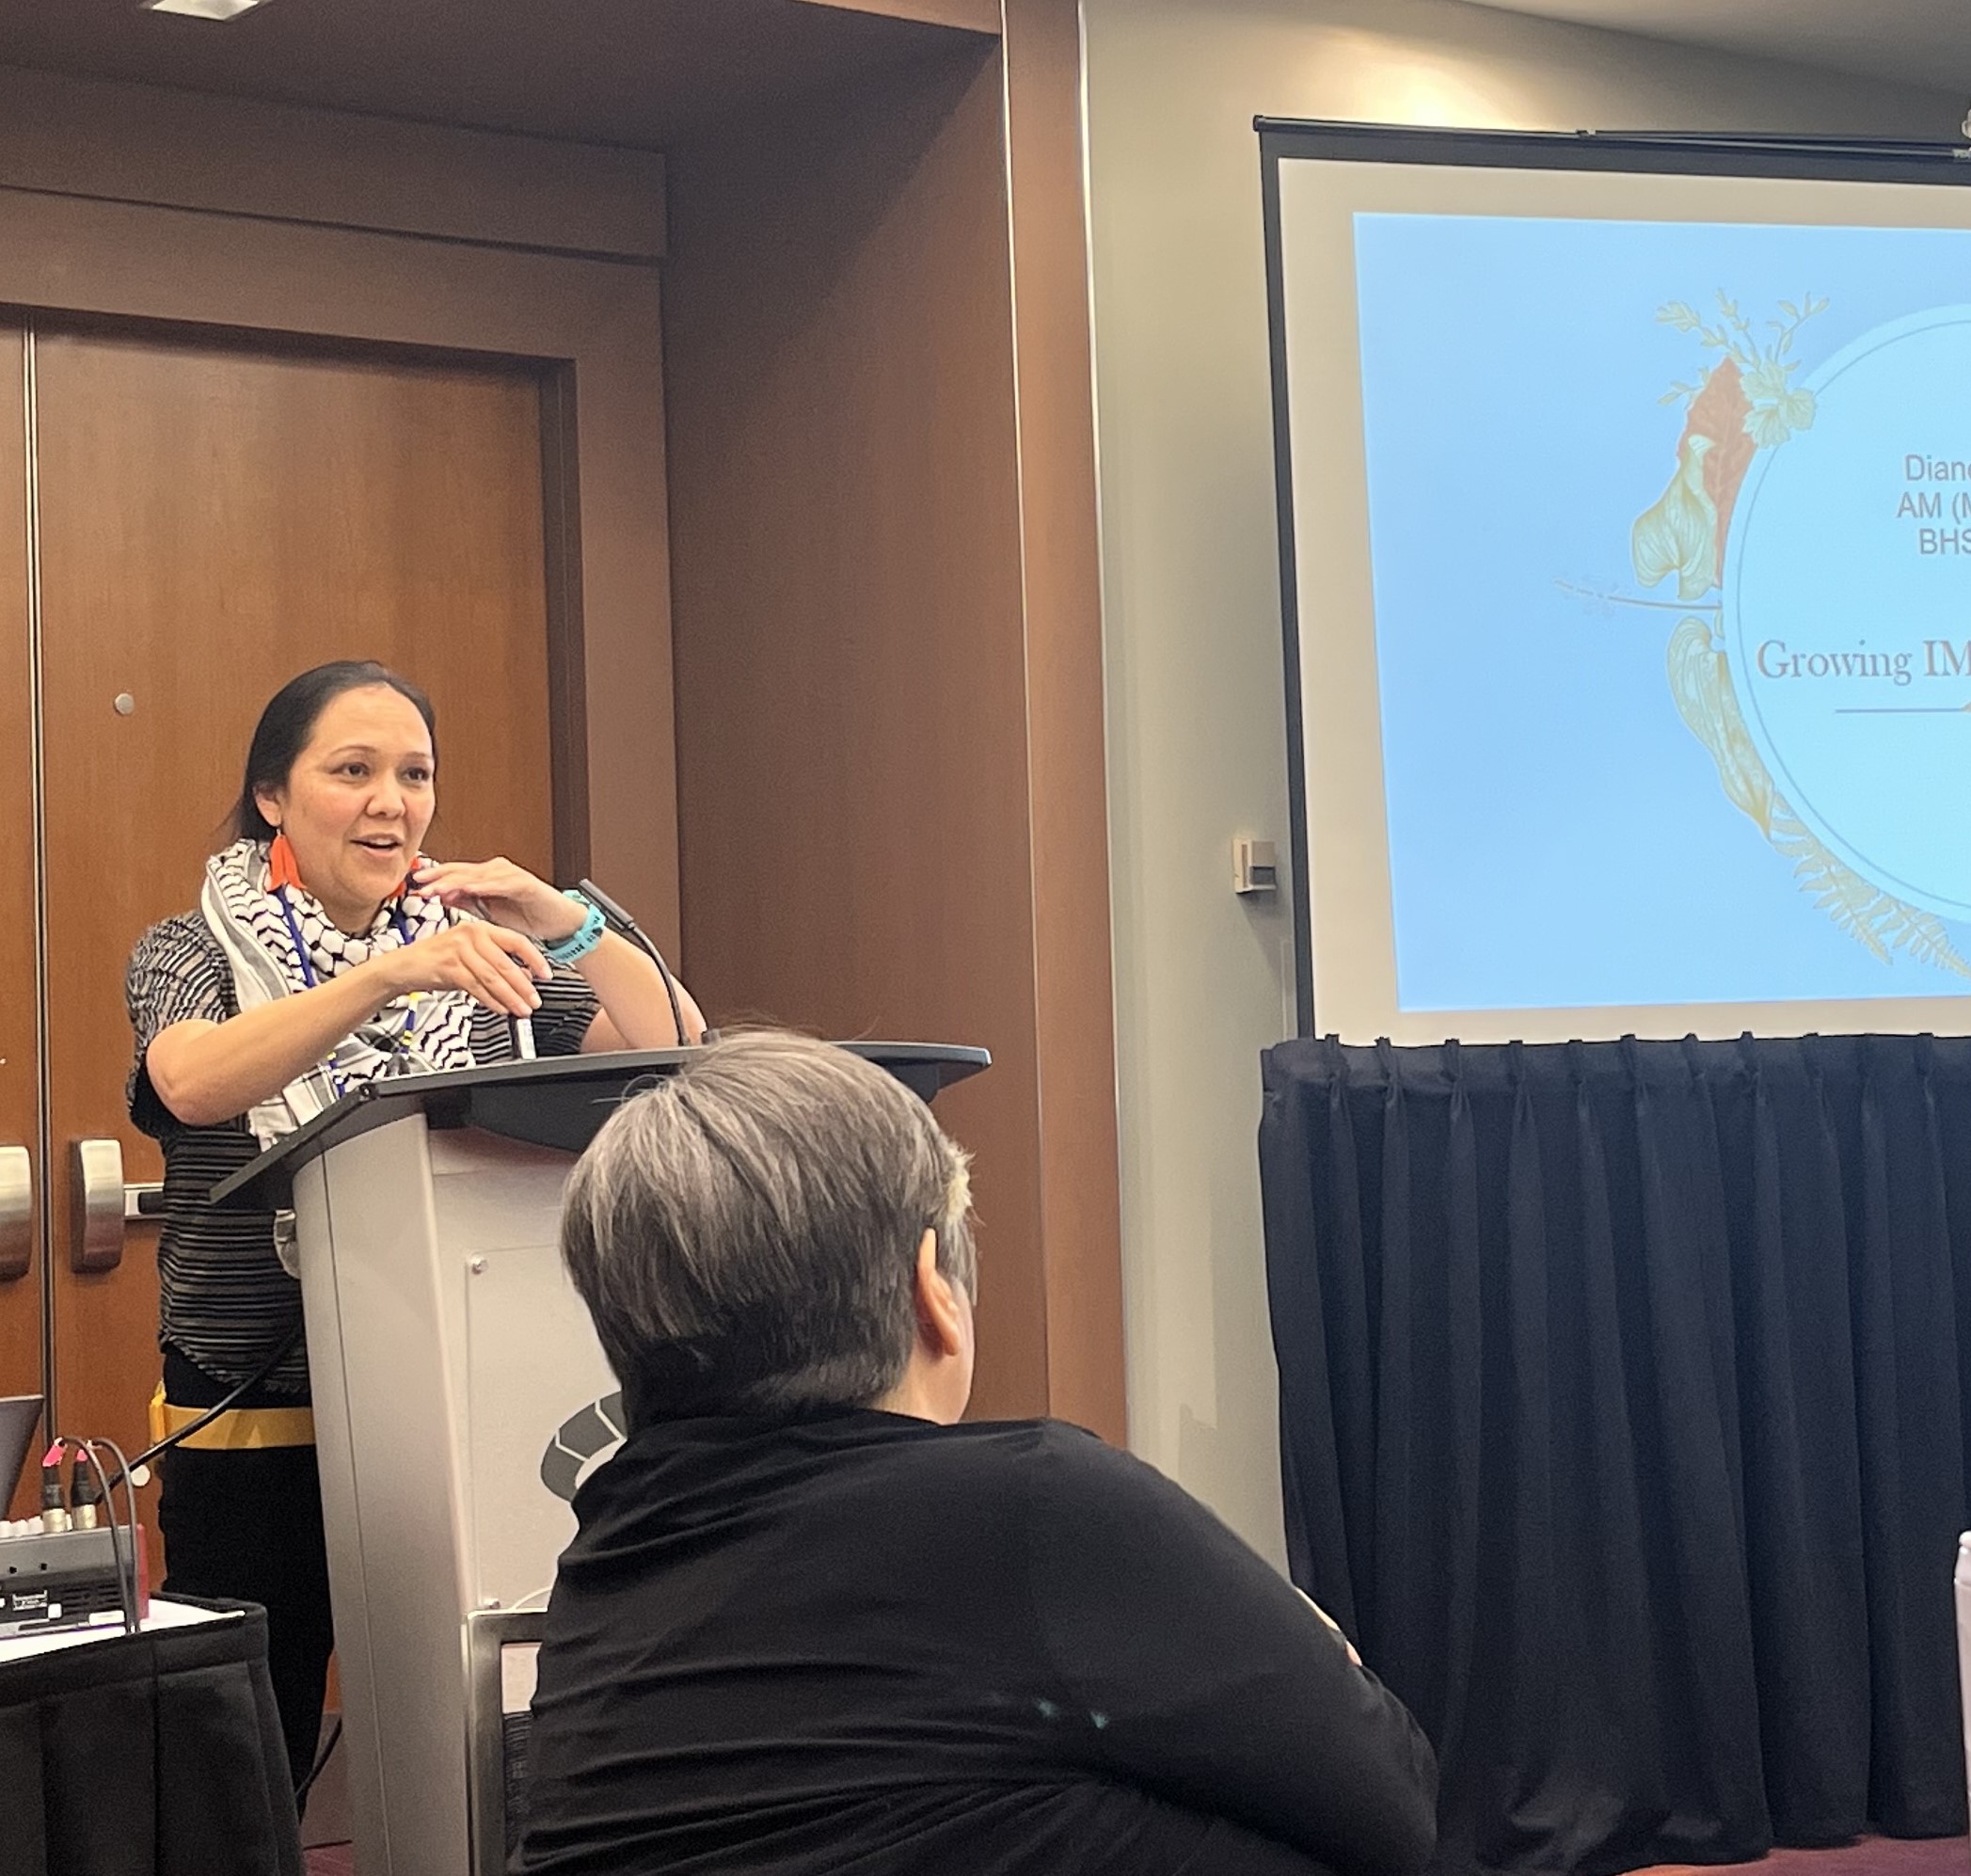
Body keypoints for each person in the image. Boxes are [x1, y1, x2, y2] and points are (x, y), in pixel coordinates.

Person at [513, 1032, 1439, 1876]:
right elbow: (1394, 1808)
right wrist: (1325, 1657)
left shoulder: (600, 1573)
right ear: (934, 1288)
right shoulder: (1029, 1505)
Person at [130, 660, 698, 1777]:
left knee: (468, 1753)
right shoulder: (188, 948)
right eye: (354, 771)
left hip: (457, 1404)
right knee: (247, 1758)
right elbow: (195, 1081)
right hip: (260, 1413)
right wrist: (387, 976)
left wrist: (564, 920)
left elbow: (681, 1045)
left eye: (416, 773)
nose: (393, 801)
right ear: (273, 797)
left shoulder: (478, 952)